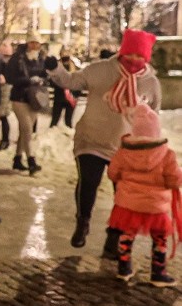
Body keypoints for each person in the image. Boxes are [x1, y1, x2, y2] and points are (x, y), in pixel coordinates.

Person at [46, 29, 161, 255]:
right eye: (130, 54)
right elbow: (72, 81)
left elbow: (153, 116)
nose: (134, 61)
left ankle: (113, 237)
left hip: (126, 147)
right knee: (88, 182)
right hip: (92, 139)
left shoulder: (150, 83)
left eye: (140, 56)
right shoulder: (101, 70)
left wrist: (150, 147)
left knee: (124, 195)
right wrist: (55, 69)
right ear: (122, 51)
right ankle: (83, 221)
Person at [107, 103, 181, 287]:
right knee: (159, 237)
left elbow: (112, 174)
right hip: (155, 206)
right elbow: (174, 180)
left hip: (128, 204)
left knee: (127, 234)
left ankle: (124, 269)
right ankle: (158, 273)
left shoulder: (123, 152)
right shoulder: (166, 154)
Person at [4, 33, 46, 175]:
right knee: (28, 129)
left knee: (24, 130)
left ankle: (17, 158)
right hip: (19, 98)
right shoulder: (18, 58)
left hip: (34, 99)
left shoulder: (41, 58)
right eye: (32, 42)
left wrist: (42, 80)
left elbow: (46, 75)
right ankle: (31, 161)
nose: (34, 45)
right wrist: (28, 81)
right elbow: (10, 77)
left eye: (37, 43)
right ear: (27, 44)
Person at [49, 53, 81, 128]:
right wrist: (76, 95)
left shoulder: (57, 69)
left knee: (54, 120)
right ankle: (68, 137)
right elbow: (79, 84)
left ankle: (51, 136)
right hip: (71, 98)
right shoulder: (75, 69)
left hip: (59, 97)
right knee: (68, 121)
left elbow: (52, 82)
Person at [0, 40, 13, 151]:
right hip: (6, 89)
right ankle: (5, 140)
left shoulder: (3, 63)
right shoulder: (10, 62)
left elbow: (3, 78)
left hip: (4, 89)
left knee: (3, 116)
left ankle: (5, 140)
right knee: (3, 116)